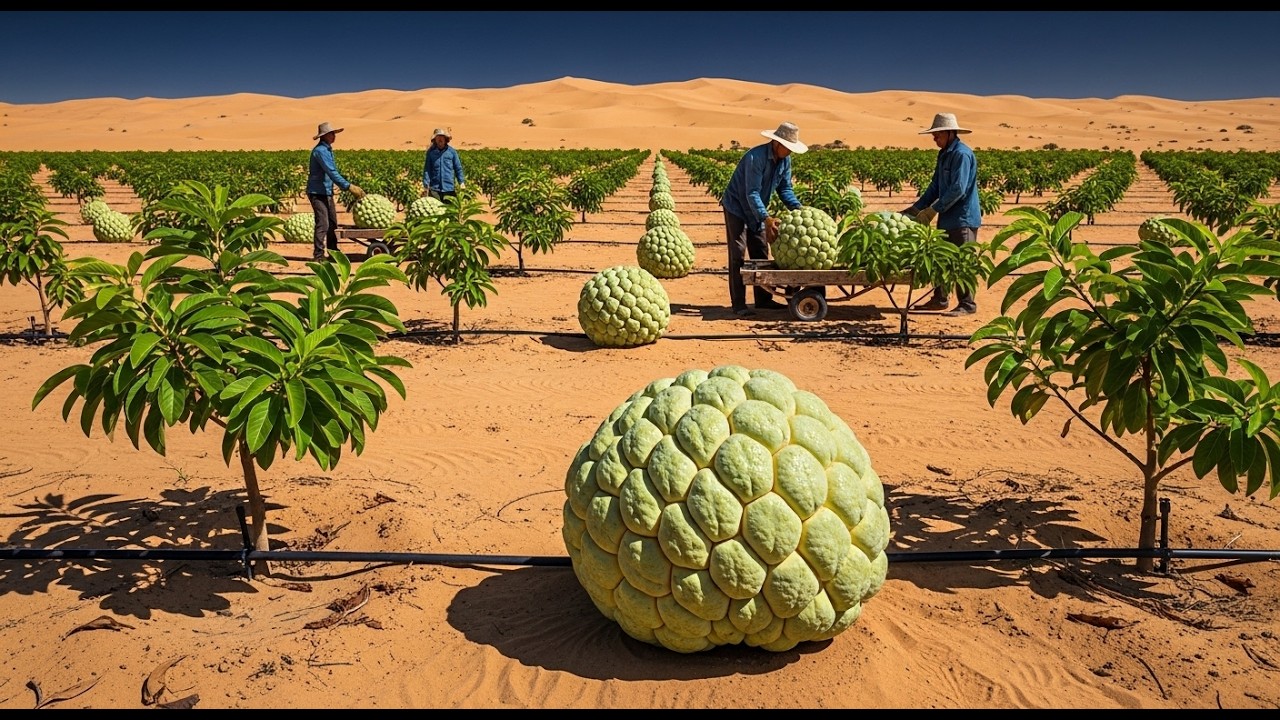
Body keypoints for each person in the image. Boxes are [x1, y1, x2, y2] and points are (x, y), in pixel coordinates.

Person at [720, 121, 807, 317]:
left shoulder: (785, 161)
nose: (790, 152)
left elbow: (785, 189)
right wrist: (766, 218)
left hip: (757, 209)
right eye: (788, 148)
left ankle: (763, 299)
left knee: (760, 251)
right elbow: (751, 193)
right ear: (776, 143)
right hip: (737, 207)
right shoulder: (755, 157)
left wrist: (799, 209)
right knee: (738, 253)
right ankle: (739, 304)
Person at [901, 112, 982, 316]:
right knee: (941, 258)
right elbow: (936, 186)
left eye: (937, 134)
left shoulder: (962, 154)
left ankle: (967, 304)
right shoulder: (944, 153)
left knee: (962, 261)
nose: (934, 138)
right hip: (947, 218)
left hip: (962, 218)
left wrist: (933, 209)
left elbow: (958, 189)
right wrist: (918, 207)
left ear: (949, 133)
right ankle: (940, 299)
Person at [307, 121, 363, 261]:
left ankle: (333, 251)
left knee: (332, 223)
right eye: (331, 134)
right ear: (324, 136)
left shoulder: (327, 150)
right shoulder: (320, 151)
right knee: (323, 223)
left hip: (327, 191)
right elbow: (331, 172)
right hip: (317, 192)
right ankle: (318, 255)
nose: (334, 136)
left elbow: (332, 173)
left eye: (334, 133)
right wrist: (348, 186)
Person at [422, 127, 465, 202]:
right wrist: (426, 184)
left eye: (442, 137)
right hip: (435, 189)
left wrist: (461, 182)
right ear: (435, 139)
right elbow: (427, 169)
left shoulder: (452, 152)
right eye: (438, 137)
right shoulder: (431, 153)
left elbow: (458, 168)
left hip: (449, 189)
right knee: (436, 211)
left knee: (449, 212)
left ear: (445, 139)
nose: (440, 140)